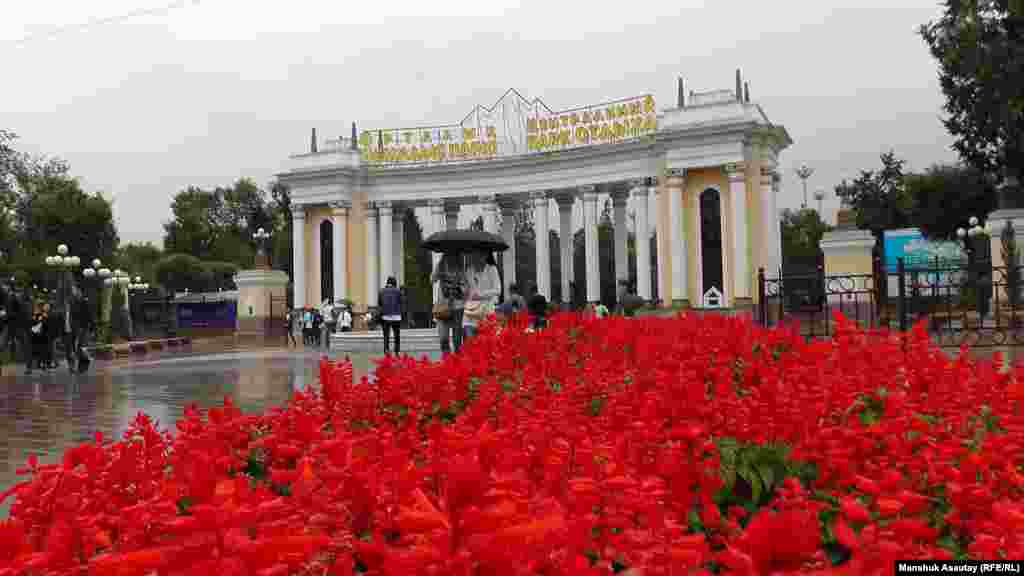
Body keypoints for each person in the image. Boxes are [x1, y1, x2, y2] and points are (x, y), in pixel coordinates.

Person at [432, 252, 466, 353]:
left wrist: (461, 288)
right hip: (443, 306)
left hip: (458, 306)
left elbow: (465, 287)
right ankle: (447, 361)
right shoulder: (441, 266)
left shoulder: (461, 268)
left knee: (457, 339)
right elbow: (432, 279)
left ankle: (456, 362)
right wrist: (437, 269)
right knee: (443, 338)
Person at [462, 252, 501, 341]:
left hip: (486, 311)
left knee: (486, 342)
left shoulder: (492, 269)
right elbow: (467, 289)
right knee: (470, 342)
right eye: (475, 254)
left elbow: (498, 289)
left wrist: (480, 294)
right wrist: (464, 290)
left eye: (481, 254)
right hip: (470, 312)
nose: (477, 256)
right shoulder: (469, 270)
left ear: (486, 255)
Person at [378, 276, 403, 354]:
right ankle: (397, 350)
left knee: (386, 335)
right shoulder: (398, 291)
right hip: (396, 317)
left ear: (387, 282)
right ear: (394, 282)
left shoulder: (381, 291)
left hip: (385, 316)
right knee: (397, 335)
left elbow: (380, 303)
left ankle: (386, 349)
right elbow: (401, 302)